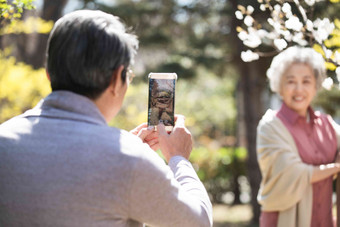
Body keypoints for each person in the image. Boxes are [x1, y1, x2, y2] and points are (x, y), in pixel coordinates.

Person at [0, 10, 212, 227]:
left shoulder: (4, 140)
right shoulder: (129, 159)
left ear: (48, 74)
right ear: (115, 80)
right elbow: (199, 222)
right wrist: (179, 159)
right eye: (128, 75)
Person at [256, 46, 340, 227]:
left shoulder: (327, 125)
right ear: (280, 85)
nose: (299, 89)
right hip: (282, 221)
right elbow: (294, 173)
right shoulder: (271, 126)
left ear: (316, 85)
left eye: (306, 81)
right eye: (291, 81)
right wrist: (336, 168)